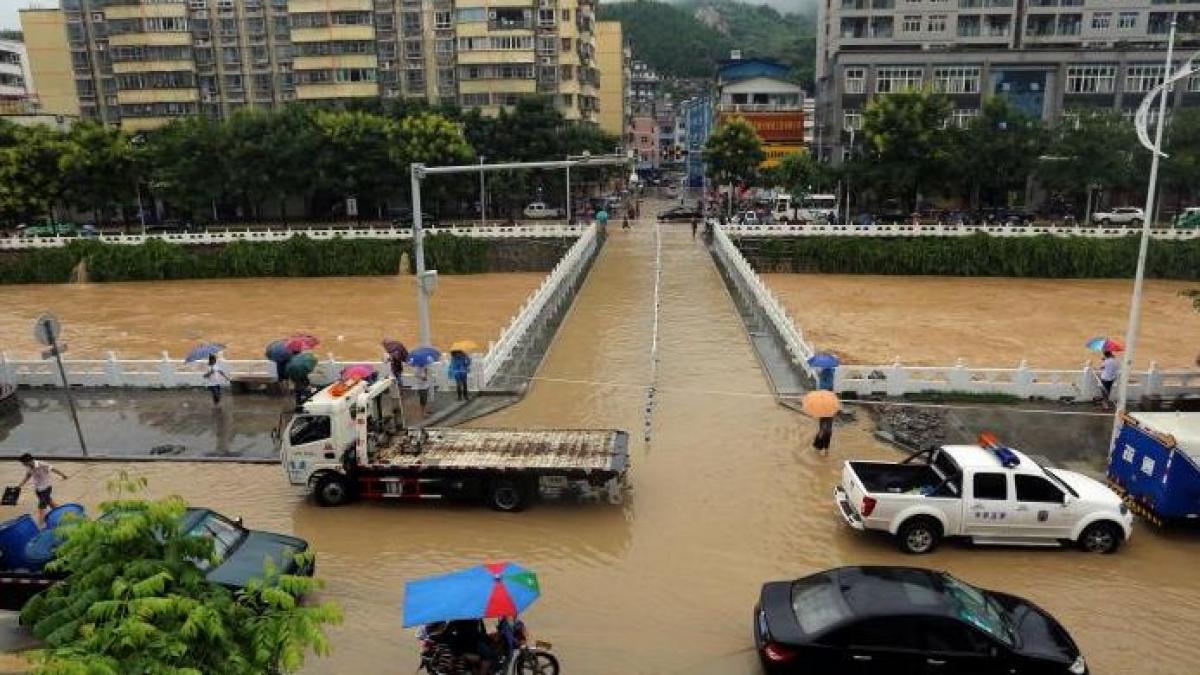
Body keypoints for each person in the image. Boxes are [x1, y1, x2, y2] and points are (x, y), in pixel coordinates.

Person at [18, 454, 68, 525]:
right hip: (38, 490)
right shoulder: (29, 467)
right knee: (51, 503)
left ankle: (40, 525)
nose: (23, 464)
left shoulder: (42, 464)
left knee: (41, 507)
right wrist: (19, 486)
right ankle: (65, 514)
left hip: (46, 488)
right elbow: (27, 476)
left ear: (28, 461)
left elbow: (54, 469)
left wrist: (63, 475)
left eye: (23, 463)